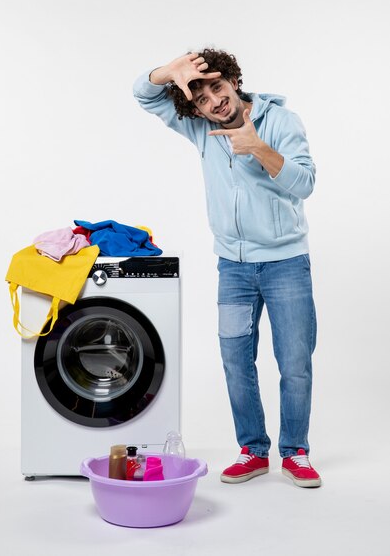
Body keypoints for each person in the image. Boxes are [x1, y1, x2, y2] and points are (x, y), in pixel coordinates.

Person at [133, 49, 321, 488]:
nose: (213, 102)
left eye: (217, 88)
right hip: (233, 269)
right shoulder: (201, 129)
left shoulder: (281, 121)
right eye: (201, 99)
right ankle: (253, 451)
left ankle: (296, 452)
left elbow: (306, 183)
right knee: (237, 361)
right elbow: (145, 95)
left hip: (286, 263)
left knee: (294, 362)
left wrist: (258, 147)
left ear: (233, 81)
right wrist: (171, 71)